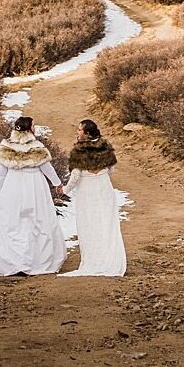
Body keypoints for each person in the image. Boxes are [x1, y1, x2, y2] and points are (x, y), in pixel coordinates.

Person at [0, 115, 67, 277]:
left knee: (16, 222)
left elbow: (1, 173)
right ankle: (36, 260)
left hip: (13, 186)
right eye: (33, 126)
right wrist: (57, 183)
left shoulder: (6, 147)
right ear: (29, 129)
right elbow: (47, 168)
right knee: (37, 220)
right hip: (34, 186)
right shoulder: (36, 146)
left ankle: (17, 260)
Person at [63, 118, 126, 277]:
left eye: (79, 130)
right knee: (106, 224)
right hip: (104, 187)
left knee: (89, 224)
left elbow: (76, 175)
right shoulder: (105, 147)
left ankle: (93, 259)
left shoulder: (78, 151)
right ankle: (110, 258)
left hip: (87, 191)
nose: (77, 133)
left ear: (87, 133)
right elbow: (111, 170)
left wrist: (65, 190)